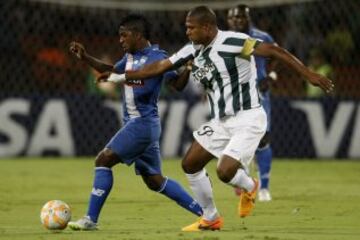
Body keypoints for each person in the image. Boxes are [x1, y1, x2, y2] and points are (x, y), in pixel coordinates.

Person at [100, 6, 333, 231]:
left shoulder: (234, 41)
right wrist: (119, 77)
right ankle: (210, 218)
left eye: (192, 28)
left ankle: (251, 185)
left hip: (247, 117)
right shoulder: (192, 48)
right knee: (190, 164)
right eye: (186, 27)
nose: (187, 32)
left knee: (224, 171)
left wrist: (309, 74)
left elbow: (274, 51)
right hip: (220, 121)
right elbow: (161, 66)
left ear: (208, 27)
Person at [67, 14, 203, 231]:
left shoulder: (158, 57)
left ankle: (90, 219)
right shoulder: (128, 58)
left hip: (142, 123)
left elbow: (176, 85)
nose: (120, 40)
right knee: (154, 180)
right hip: (140, 125)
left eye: (124, 35)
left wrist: (187, 69)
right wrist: (86, 57)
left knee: (103, 160)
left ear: (138, 35)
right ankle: (205, 214)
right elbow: (112, 71)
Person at [227, 4, 276, 202]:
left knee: (263, 139)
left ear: (248, 18)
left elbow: (276, 55)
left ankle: (264, 187)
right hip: (234, 95)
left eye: (240, 17)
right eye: (233, 18)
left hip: (258, 93)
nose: (237, 21)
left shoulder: (261, 37)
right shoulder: (224, 40)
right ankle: (245, 178)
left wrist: (271, 75)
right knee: (237, 138)